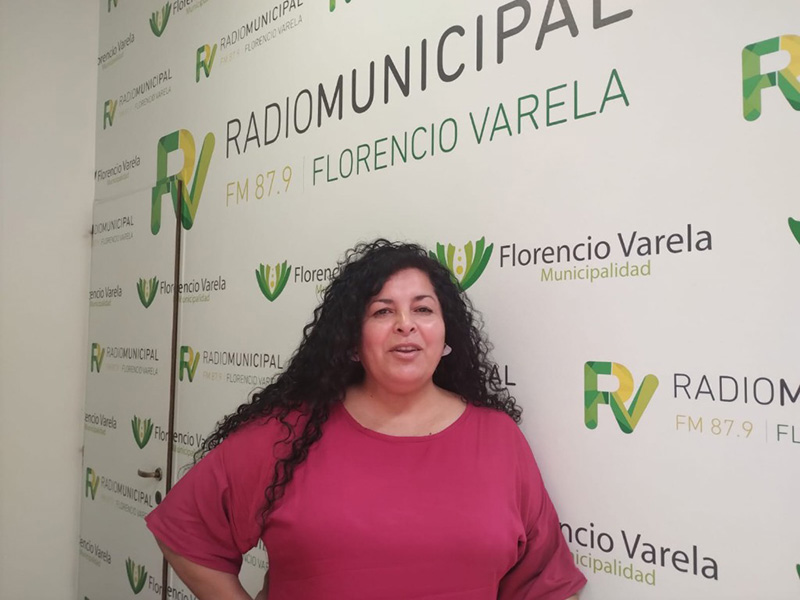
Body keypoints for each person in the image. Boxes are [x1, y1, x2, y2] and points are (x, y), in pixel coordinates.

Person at [145, 239, 586, 600]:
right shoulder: (289, 433)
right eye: (382, 311)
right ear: (353, 342)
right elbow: (184, 531)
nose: (405, 325)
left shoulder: (497, 438)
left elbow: (543, 581)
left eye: (423, 309)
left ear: (446, 332)